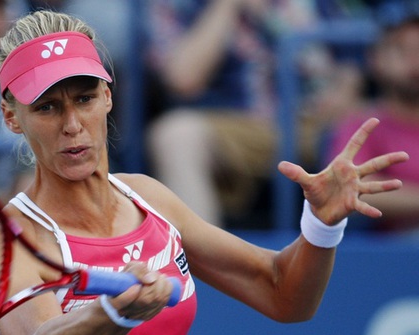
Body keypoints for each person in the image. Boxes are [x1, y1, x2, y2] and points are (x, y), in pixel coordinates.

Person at [0, 9, 408, 335]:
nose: (72, 125)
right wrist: (115, 312)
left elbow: (284, 294)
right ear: (12, 117)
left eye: (84, 99)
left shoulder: (150, 199)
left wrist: (322, 225)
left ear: (107, 96)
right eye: (47, 108)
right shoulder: (8, 243)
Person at [144, 0, 366, 227]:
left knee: (372, 123)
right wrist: (227, 5)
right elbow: (183, 79)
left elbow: (352, 56)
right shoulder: (176, 5)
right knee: (175, 137)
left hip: (315, 122)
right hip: (235, 126)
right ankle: (201, 249)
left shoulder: (318, 4)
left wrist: (345, 90)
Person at [325, 0, 419, 233]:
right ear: (376, 59)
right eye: (402, 50)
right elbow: (349, 186)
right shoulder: (360, 124)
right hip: (395, 245)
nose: (415, 62)